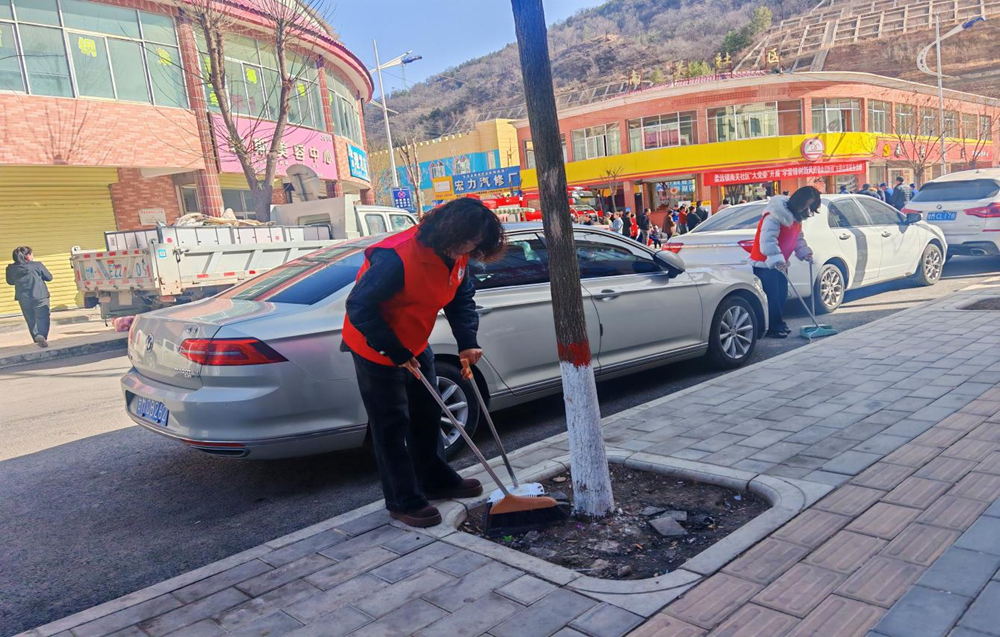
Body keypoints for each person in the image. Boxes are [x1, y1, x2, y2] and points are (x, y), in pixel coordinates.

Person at [342, 198, 506, 528]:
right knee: (391, 426)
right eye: (463, 242)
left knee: (428, 415)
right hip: (377, 347)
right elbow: (359, 306)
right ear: (448, 229)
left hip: (416, 342)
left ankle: (435, 480)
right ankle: (403, 500)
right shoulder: (397, 257)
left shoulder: (458, 257)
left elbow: (461, 298)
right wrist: (396, 352)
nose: (464, 250)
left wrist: (468, 342)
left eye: (472, 245)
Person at [748, 187, 819, 338]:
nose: (807, 209)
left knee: (781, 295)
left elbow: (797, 238)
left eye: (810, 206)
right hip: (765, 263)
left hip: (781, 263)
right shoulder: (775, 215)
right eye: (806, 205)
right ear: (798, 201)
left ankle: (778, 323)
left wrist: (804, 252)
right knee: (772, 296)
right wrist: (777, 259)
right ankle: (773, 327)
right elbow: (767, 241)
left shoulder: (796, 216)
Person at [6, 246, 53, 348]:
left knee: (30, 319)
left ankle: (36, 337)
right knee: (43, 316)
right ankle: (42, 335)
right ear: (27, 256)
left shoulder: (10, 268)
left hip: (23, 297)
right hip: (40, 295)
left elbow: (10, 282)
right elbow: (49, 277)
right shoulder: (37, 265)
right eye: (31, 254)